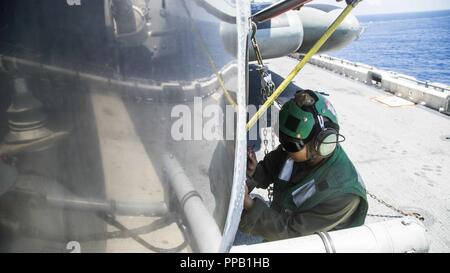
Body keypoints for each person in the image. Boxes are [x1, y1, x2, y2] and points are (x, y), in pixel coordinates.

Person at [239, 90, 368, 241]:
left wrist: (250, 205)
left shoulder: (343, 196)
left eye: (290, 144)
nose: (284, 147)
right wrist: (255, 172)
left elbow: (290, 233)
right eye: (282, 139)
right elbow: (271, 168)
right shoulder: (294, 149)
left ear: (322, 144)